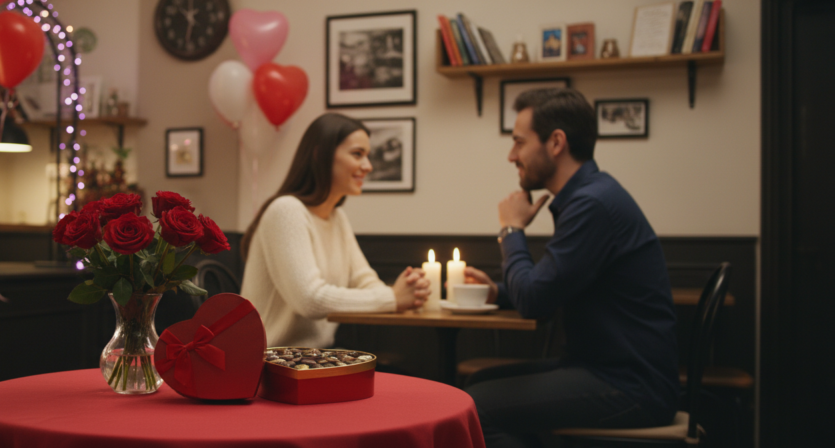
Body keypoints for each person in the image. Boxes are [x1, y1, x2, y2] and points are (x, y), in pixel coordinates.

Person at [464, 88, 679, 448]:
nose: (511, 155)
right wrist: (496, 292)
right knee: (475, 387)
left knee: (473, 408)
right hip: (609, 371)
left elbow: (535, 300)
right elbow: (553, 284)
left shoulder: (592, 204)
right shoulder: (591, 196)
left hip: (630, 386)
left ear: (556, 142)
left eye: (519, 142)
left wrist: (511, 230)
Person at [240, 113, 431, 348]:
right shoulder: (286, 211)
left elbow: (365, 281)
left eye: (367, 156)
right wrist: (392, 297)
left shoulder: (336, 217)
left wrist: (404, 291)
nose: (368, 166)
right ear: (321, 155)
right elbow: (309, 300)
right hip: (266, 363)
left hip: (312, 361)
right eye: (357, 154)